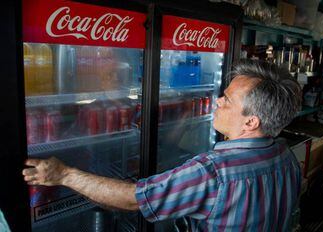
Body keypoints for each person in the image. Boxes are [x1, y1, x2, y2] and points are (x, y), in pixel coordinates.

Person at [23, 60, 302, 231]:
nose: (218, 101)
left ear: (251, 121)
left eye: (227, 99)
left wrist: (63, 175)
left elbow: (135, 199)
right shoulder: (285, 156)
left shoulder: (214, 173)